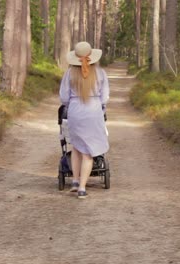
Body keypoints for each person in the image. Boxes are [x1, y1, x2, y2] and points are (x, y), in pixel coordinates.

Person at [59, 42, 110, 199]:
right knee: (88, 152)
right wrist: (100, 106)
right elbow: (105, 97)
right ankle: (82, 188)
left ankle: (75, 181)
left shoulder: (69, 73)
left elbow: (64, 97)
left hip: (75, 110)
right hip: (93, 110)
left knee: (76, 147)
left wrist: (72, 104)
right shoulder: (100, 73)